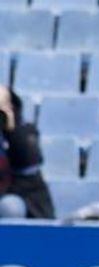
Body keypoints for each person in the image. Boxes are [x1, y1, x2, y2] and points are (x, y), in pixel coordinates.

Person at [0, 85, 54, 219]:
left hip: (25, 202)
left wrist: (11, 130)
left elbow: (28, 160)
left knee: (10, 206)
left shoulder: (26, 131)